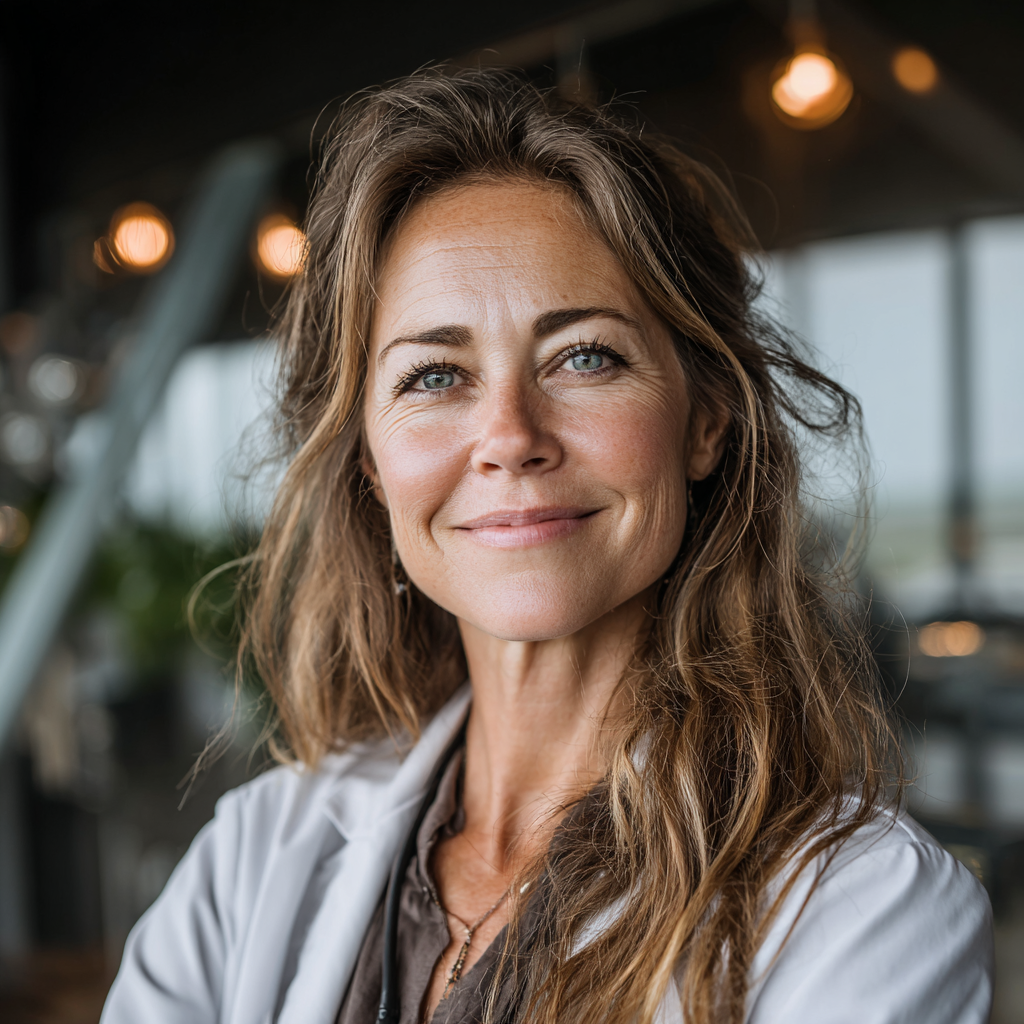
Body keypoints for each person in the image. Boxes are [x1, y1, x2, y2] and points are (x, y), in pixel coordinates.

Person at [100, 68, 992, 1024]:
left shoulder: (863, 912)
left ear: (706, 422)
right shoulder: (253, 861)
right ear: (368, 461)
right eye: (434, 375)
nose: (511, 435)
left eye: (585, 356)